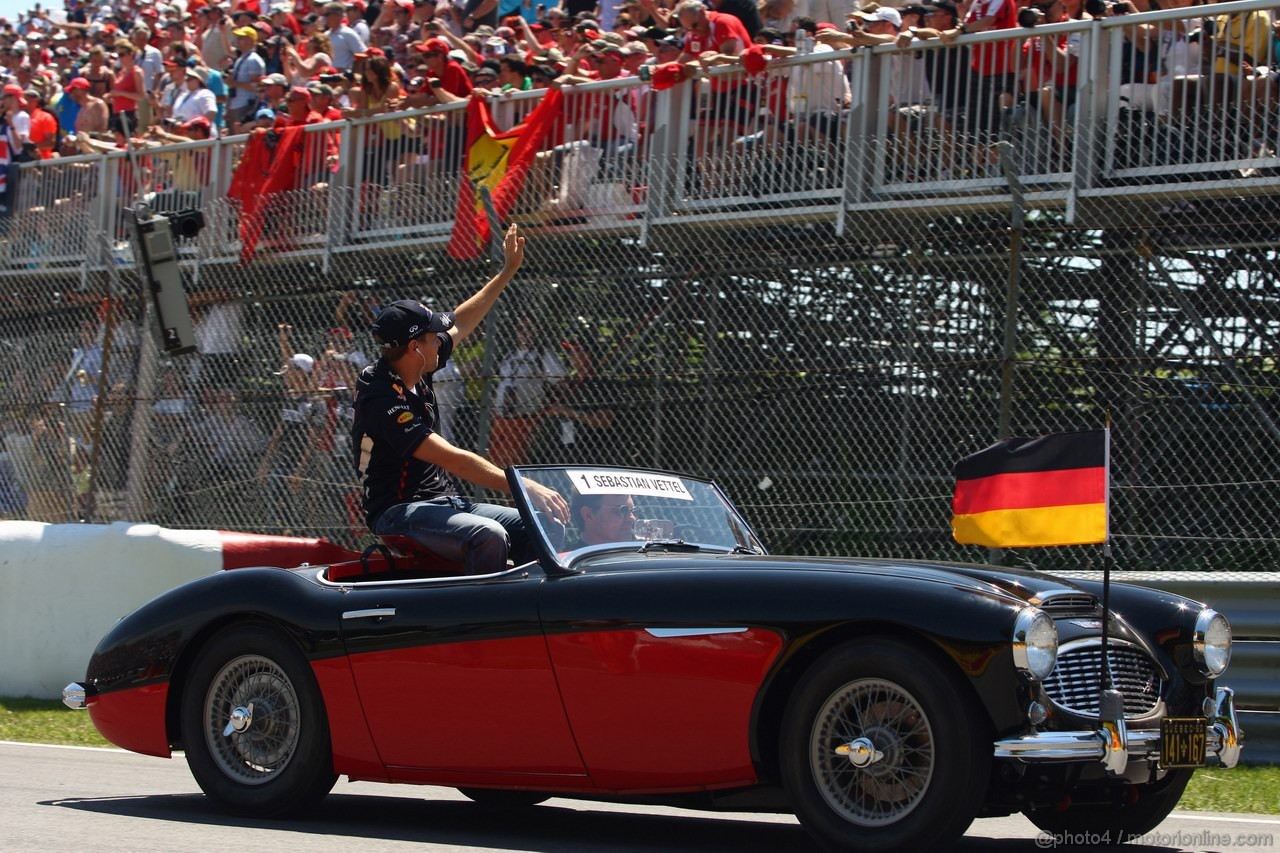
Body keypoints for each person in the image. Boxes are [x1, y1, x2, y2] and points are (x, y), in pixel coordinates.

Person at [350, 223, 568, 576]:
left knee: (544, 526)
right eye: (435, 336)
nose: (444, 339)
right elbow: (453, 459)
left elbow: (462, 321)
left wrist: (506, 271)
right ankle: (481, 621)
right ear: (415, 347)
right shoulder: (381, 395)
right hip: (397, 512)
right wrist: (522, 485)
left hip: (443, 501)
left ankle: (528, 612)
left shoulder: (418, 363)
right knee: (489, 534)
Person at [567, 492, 637, 548]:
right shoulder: (567, 562)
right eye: (622, 510)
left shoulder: (640, 557)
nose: (632, 518)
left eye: (633, 510)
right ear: (588, 514)